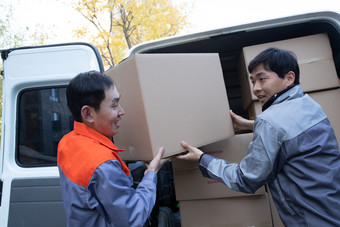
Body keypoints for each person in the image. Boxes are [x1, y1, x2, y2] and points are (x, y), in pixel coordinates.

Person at [176, 48, 340, 226]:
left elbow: (246, 179)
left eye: (262, 79)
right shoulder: (310, 106)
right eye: (253, 81)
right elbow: (289, 131)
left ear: (289, 78)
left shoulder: (269, 122)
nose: (256, 88)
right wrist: (249, 124)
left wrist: (202, 159)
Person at [57, 70, 169, 227]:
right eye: (114, 105)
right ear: (88, 113)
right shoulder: (103, 164)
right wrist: (151, 174)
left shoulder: (66, 143)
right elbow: (133, 218)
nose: (122, 111)